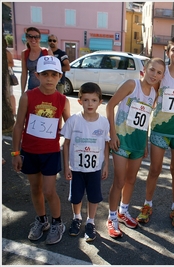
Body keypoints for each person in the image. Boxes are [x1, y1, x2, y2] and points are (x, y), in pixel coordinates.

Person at [136, 37, 174, 228]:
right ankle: (147, 205)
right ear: (168, 53)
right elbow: (149, 97)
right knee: (154, 169)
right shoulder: (161, 74)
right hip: (160, 130)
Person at [11, 55, 70, 245]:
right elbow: (18, 125)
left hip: (50, 153)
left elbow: (69, 125)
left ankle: (57, 222)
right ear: (37, 75)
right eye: (45, 74)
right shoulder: (28, 96)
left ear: (60, 76)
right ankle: (41, 219)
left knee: (49, 190)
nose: (49, 78)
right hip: (29, 152)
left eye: (54, 74)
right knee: (35, 189)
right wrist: (16, 153)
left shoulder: (62, 100)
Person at [106, 58, 166, 237]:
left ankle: (123, 211)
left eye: (159, 72)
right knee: (119, 180)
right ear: (144, 70)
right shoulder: (132, 85)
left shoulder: (154, 94)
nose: (154, 75)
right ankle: (111, 217)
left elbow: (145, 119)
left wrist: (146, 143)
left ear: (162, 76)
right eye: (152, 70)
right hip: (121, 140)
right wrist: (112, 134)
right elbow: (110, 106)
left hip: (138, 143)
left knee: (131, 180)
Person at [61, 82, 110, 242]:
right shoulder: (73, 121)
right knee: (76, 197)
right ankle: (77, 218)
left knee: (94, 197)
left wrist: (106, 166)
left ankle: (90, 221)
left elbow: (106, 144)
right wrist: (66, 166)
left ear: (100, 102)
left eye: (94, 100)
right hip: (76, 168)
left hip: (95, 169)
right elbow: (66, 144)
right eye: (86, 100)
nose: (90, 104)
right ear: (79, 101)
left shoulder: (103, 122)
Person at [21, 27, 52, 94]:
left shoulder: (46, 52)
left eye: (36, 37)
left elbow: (53, 72)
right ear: (26, 38)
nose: (33, 39)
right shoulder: (24, 53)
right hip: (31, 90)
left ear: (40, 38)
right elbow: (24, 74)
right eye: (30, 36)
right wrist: (22, 92)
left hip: (46, 91)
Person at [6, 47, 17, 116]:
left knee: (10, 93)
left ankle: (13, 112)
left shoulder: (6, 52)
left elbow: (12, 63)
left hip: (7, 74)